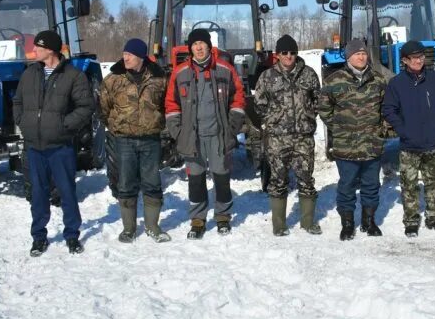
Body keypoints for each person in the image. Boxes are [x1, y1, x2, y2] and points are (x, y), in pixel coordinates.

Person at [13, 30, 94, 256]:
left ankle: (72, 236)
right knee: (37, 193)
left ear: (50, 49)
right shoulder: (29, 74)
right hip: (34, 147)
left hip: (61, 147)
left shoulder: (74, 75)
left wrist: (63, 126)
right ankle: (39, 237)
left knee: (67, 192)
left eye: (38, 46)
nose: (34, 50)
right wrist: (23, 122)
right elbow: (17, 102)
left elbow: (86, 108)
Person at [165, 28, 246, 239]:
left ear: (209, 46)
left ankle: (222, 217)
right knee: (196, 180)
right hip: (193, 136)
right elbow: (172, 104)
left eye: (202, 44)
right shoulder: (180, 72)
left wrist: (232, 126)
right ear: (190, 48)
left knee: (221, 177)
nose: (199, 48)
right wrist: (178, 131)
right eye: (195, 44)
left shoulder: (224, 69)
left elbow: (238, 97)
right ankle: (198, 220)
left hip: (218, 135)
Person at [100, 38, 170, 243]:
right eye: (124, 54)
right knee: (126, 184)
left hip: (151, 140)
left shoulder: (159, 79)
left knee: (152, 183)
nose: (125, 57)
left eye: (129, 54)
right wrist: (116, 126)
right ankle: (128, 229)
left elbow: (167, 105)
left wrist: (158, 123)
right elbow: (103, 107)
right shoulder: (114, 79)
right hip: (124, 141)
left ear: (141, 56)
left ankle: (152, 226)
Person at [318, 39, 388, 240]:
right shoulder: (334, 80)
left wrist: (380, 128)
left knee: (371, 184)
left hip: (371, 144)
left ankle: (369, 221)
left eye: (364, 53)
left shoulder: (378, 79)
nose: (361, 57)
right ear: (349, 57)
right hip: (345, 146)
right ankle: (347, 224)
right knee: (347, 185)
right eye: (357, 54)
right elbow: (324, 108)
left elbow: (386, 108)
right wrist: (339, 127)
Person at [254, 34, 322, 236]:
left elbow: (318, 100)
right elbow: (259, 104)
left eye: (292, 52)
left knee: (306, 179)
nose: (289, 56)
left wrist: (308, 117)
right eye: (284, 53)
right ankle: (279, 224)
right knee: (278, 180)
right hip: (277, 138)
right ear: (277, 55)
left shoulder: (308, 74)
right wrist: (273, 119)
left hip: (303, 137)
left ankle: (308, 222)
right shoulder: (267, 77)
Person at [383, 40, 435, 237]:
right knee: (409, 185)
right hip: (409, 145)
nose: (419, 61)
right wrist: (402, 129)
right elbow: (389, 109)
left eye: (421, 57)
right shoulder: (396, 83)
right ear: (405, 60)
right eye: (414, 58)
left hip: (433, 141)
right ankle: (411, 220)